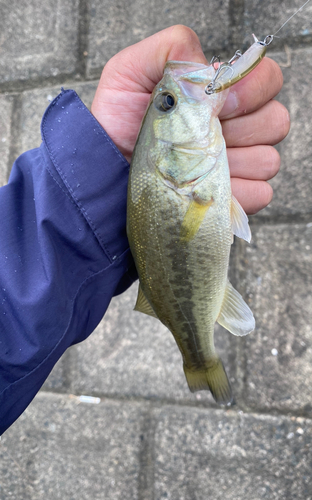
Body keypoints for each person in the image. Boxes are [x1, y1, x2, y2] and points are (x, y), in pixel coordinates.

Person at [0, 26, 289, 435]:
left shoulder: (178, 173)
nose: (171, 97)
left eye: (165, 103)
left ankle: (199, 359)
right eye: (168, 103)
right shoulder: (176, 174)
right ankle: (199, 360)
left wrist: (85, 197)